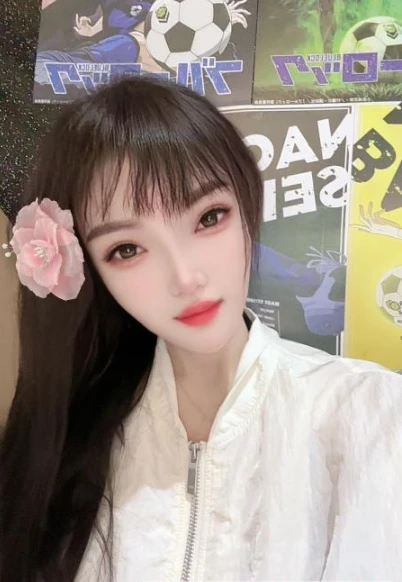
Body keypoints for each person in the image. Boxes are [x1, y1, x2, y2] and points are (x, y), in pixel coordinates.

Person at [0, 75, 401, 582]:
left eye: (210, 217)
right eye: (127, 248)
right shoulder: (61, 444)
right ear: (90, 270)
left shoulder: (370, 414)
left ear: (247, 206)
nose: (186, 277)